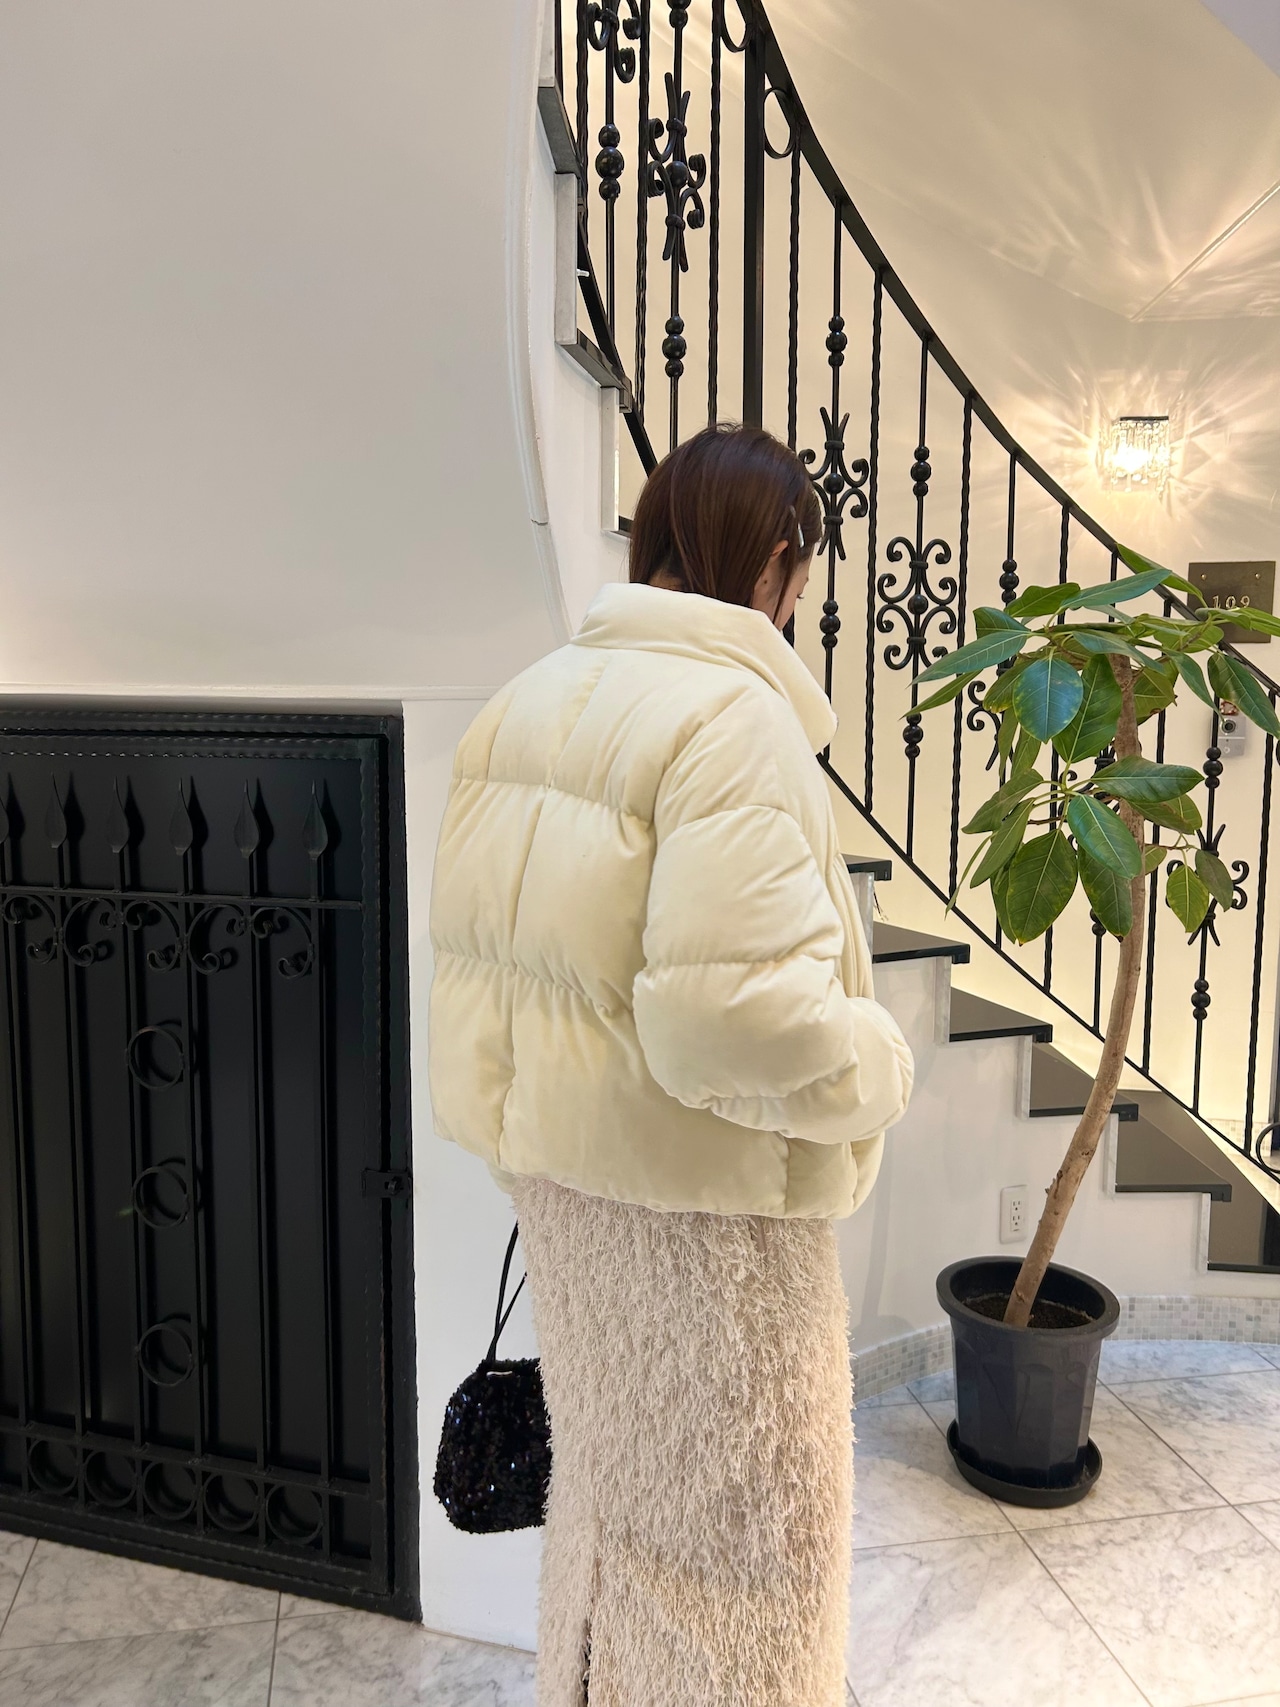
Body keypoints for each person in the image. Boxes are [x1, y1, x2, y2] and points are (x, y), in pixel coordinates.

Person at [429, 422, 914, 1707]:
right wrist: (877, 1061)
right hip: (709, 1230)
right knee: (747, 1566)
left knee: (613, 1519)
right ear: (772, 562)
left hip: (566, 1200)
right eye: (799, 568)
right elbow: (732, 1024)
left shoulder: (525, 702)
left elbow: (486, 967)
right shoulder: (732, 720)